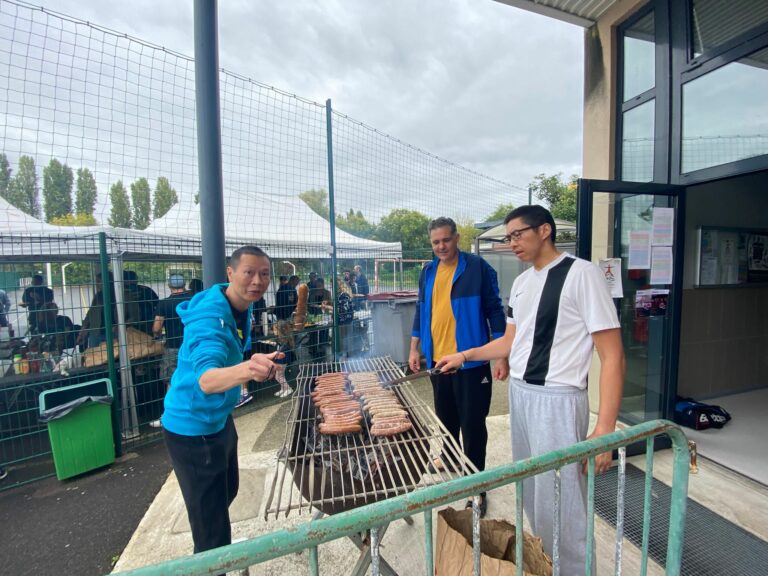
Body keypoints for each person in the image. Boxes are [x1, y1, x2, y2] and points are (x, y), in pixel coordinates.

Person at [436, 205, 625, 573]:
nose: (512, 243)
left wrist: (605, 430)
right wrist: (465, 354)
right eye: (508, 237)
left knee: (564, 500)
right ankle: (547, 565)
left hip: (557, 399)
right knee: (535, 496)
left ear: (545, 230)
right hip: (521, 396)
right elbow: (511, 340)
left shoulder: (581, 274)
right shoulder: (522, 283)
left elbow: (613, 356)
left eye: (518, 234)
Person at [161, 245, 282, 556]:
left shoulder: (240, 305)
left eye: (264, 274)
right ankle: (212, 559)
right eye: (249, 273)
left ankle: (217, 543)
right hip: (192, 429)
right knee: (209, 528)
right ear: (230, 273)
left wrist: (248, 360)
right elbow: (207, 379)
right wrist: (247, 369)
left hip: (218, 420)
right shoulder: (209, 320)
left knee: (227, 490)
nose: (257, 281)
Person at [408, 216, 507, 517]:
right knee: (446, 416)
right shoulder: (428, 271)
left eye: (446, 240)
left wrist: (501, 354)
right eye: (435, 242)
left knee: (473, 425)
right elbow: (421, 309)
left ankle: (476, 487)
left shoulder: (477, 267)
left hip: (471, 362)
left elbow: (495, 311)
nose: (441, 246)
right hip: (439, 361)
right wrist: (414, 347)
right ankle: (450, 459)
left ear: (457, 237)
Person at [149, 274, 192, 428]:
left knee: (171, 380)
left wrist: (157, 335)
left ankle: (169, 416)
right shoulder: (194, 299)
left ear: (169, 286)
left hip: (174, 346)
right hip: (193, 344)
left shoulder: (164, 303)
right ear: (185, 284)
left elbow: (156, 327)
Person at [76, 271, 117, 349]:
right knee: (94, 356)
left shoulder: (119, 295)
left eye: (98, 281)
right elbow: (90, 314)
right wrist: (82, 333)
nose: (97, 284)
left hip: (113, 332)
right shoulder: (98, 296)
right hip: (96, 333)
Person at [123, 270, 159, 335]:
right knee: (148, 340)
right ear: (135, 279)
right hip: (147, 321)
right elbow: (157, 304)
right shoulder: (146, 289)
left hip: (129, 323)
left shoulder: (120, 292)